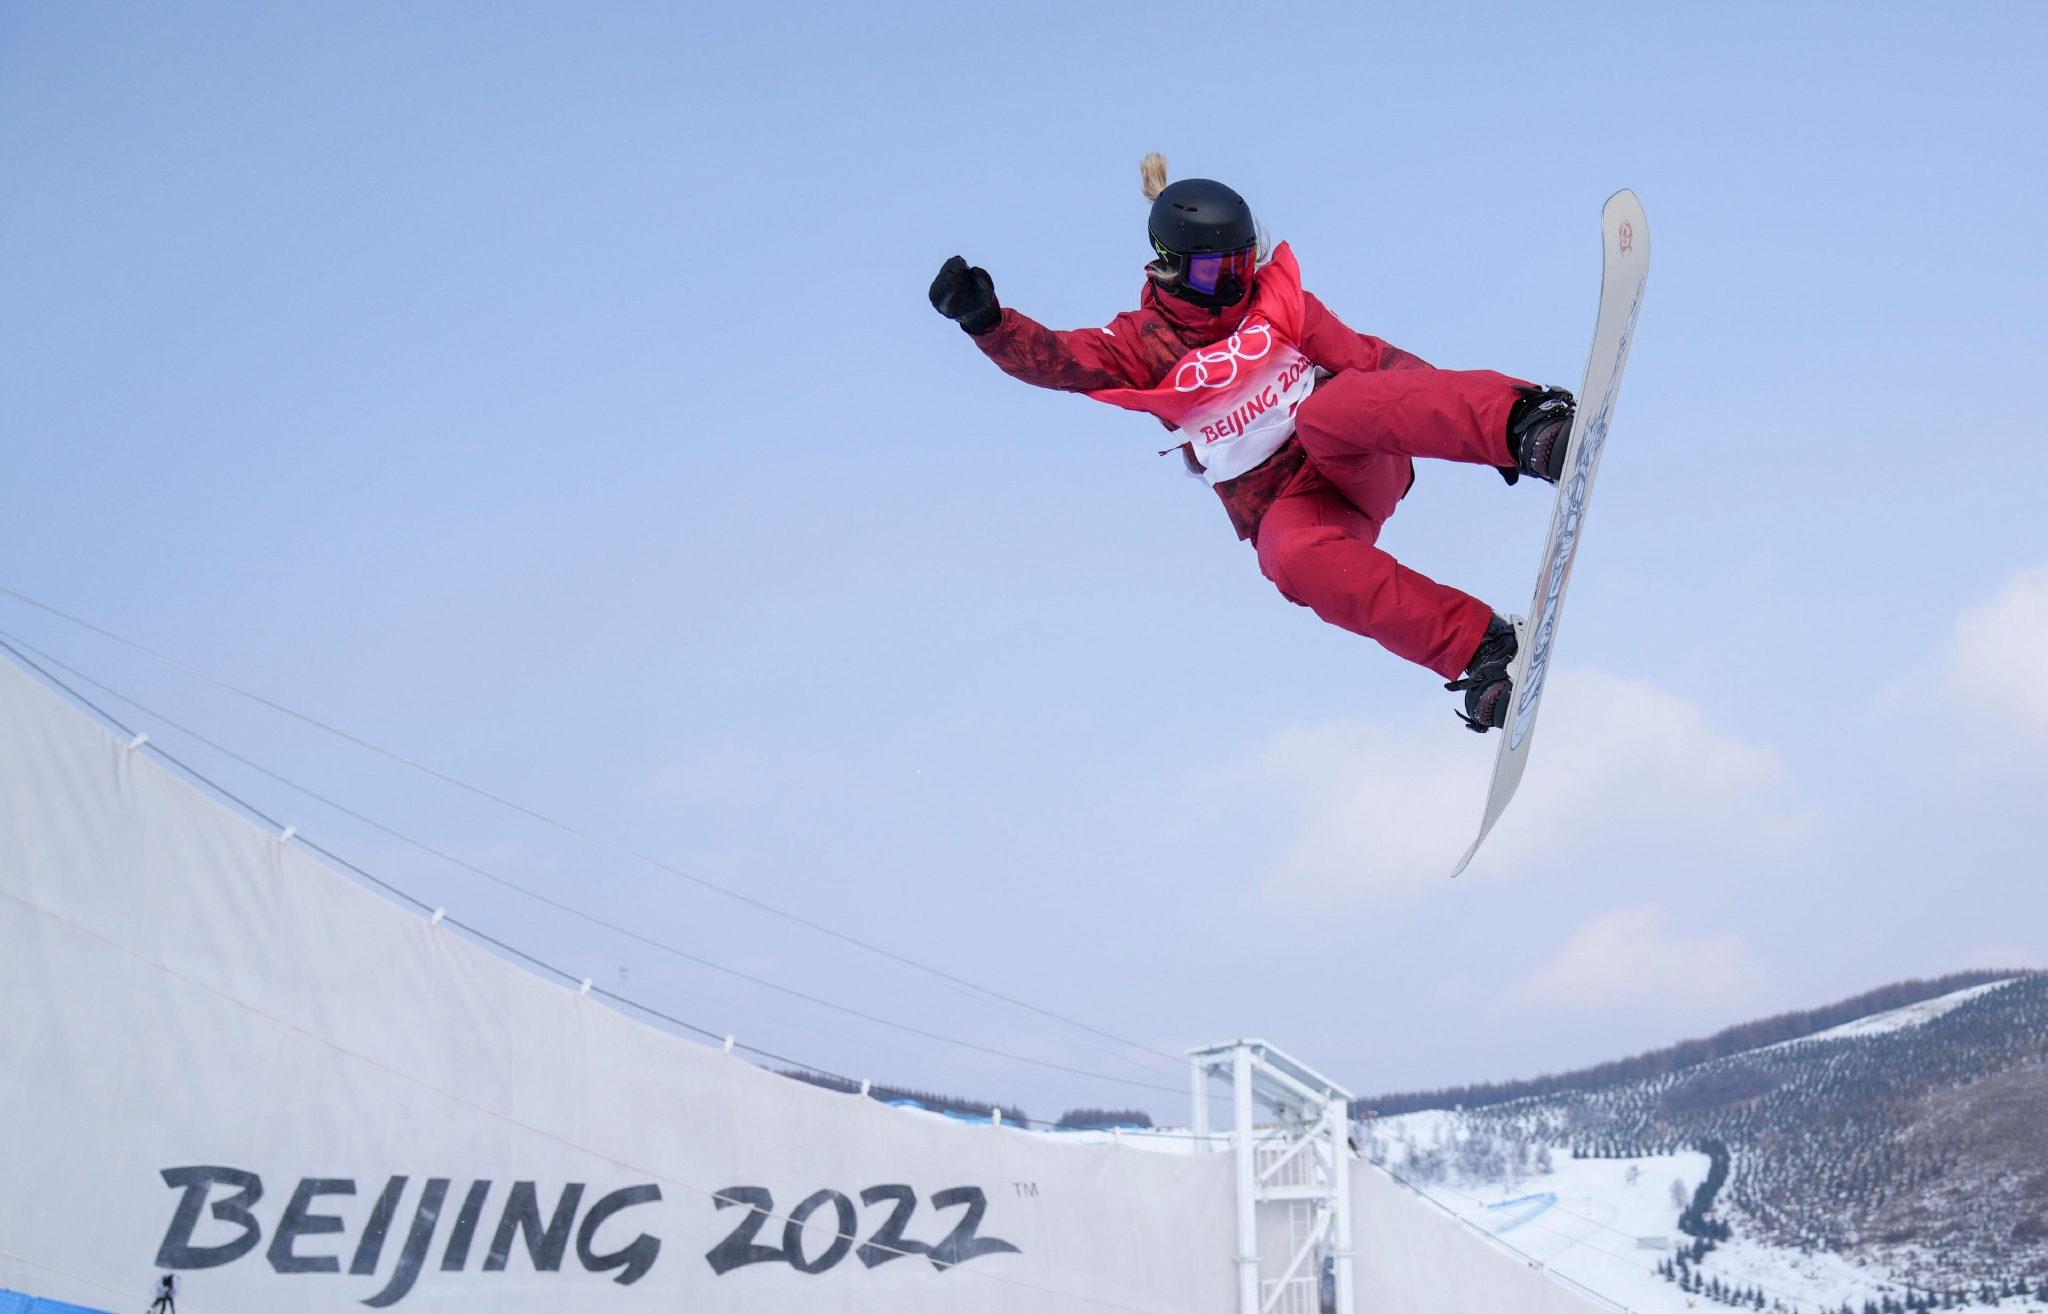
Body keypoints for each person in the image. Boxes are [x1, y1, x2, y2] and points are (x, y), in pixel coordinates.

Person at [928, 154, 1574, 732]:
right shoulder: (1139, 345)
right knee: (1285, 555)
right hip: (1293, 505)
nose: (1236, 281)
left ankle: (1529, 427)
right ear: (1172, 268)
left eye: (1244, 260)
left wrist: (1490, 421)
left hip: (1355, 457)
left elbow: (1374, 364)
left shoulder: (1278, 303)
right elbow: (1060, 361)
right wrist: (988, 324)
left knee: (1329, 410)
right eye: (1216, 271)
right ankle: (1485, 649)